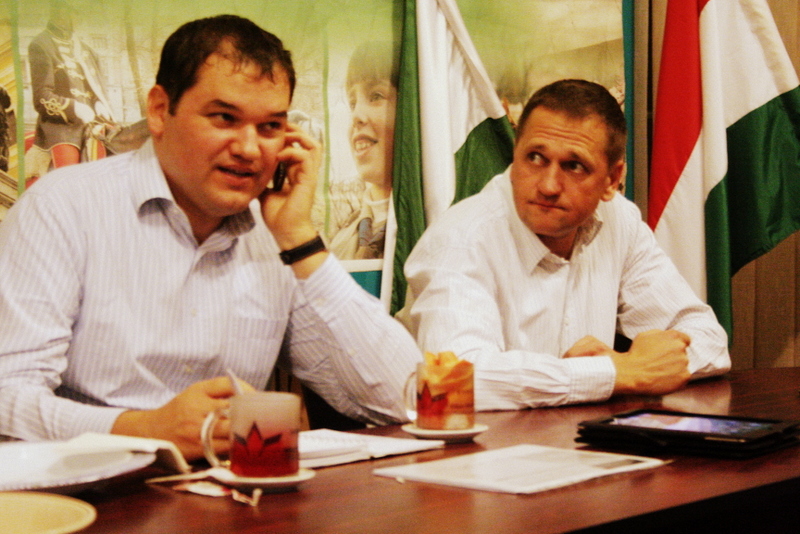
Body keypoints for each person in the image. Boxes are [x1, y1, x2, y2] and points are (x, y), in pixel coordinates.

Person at [0, 15, 420, 460]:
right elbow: (8, 398)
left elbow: (405, 399)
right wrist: (141, 429)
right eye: (224, 118)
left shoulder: (276, 236)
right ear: (159, 111)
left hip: (233, 489)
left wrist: (301, 240)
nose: (249, 149)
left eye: (270, 127)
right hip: (89, 490)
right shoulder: (63, 208)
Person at [400, 79, 730, 411]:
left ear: (612, 180)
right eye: (535, 158)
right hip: (456, 442)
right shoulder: (461, 240)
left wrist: (629, 366)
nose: (548, 186)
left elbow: (709, 339)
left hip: (573, 436)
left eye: (574, 166)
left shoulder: (620, 222)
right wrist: (615, 373)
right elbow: (450, 383)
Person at [326, 41, 397, 260]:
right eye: (352, 103)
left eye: (376, 96)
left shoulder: (436, 227)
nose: (356, 115)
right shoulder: (338, 244)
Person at [27, 0, 115, 173]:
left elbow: (97, 89)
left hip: (94, 122)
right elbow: (41, 97)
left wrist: (99, 103)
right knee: (68, 172)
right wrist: (74, 108)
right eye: (75, 11)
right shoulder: (41, 45)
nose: (79, 17)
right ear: (58, 11)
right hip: (61, 127)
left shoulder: (88, 51)